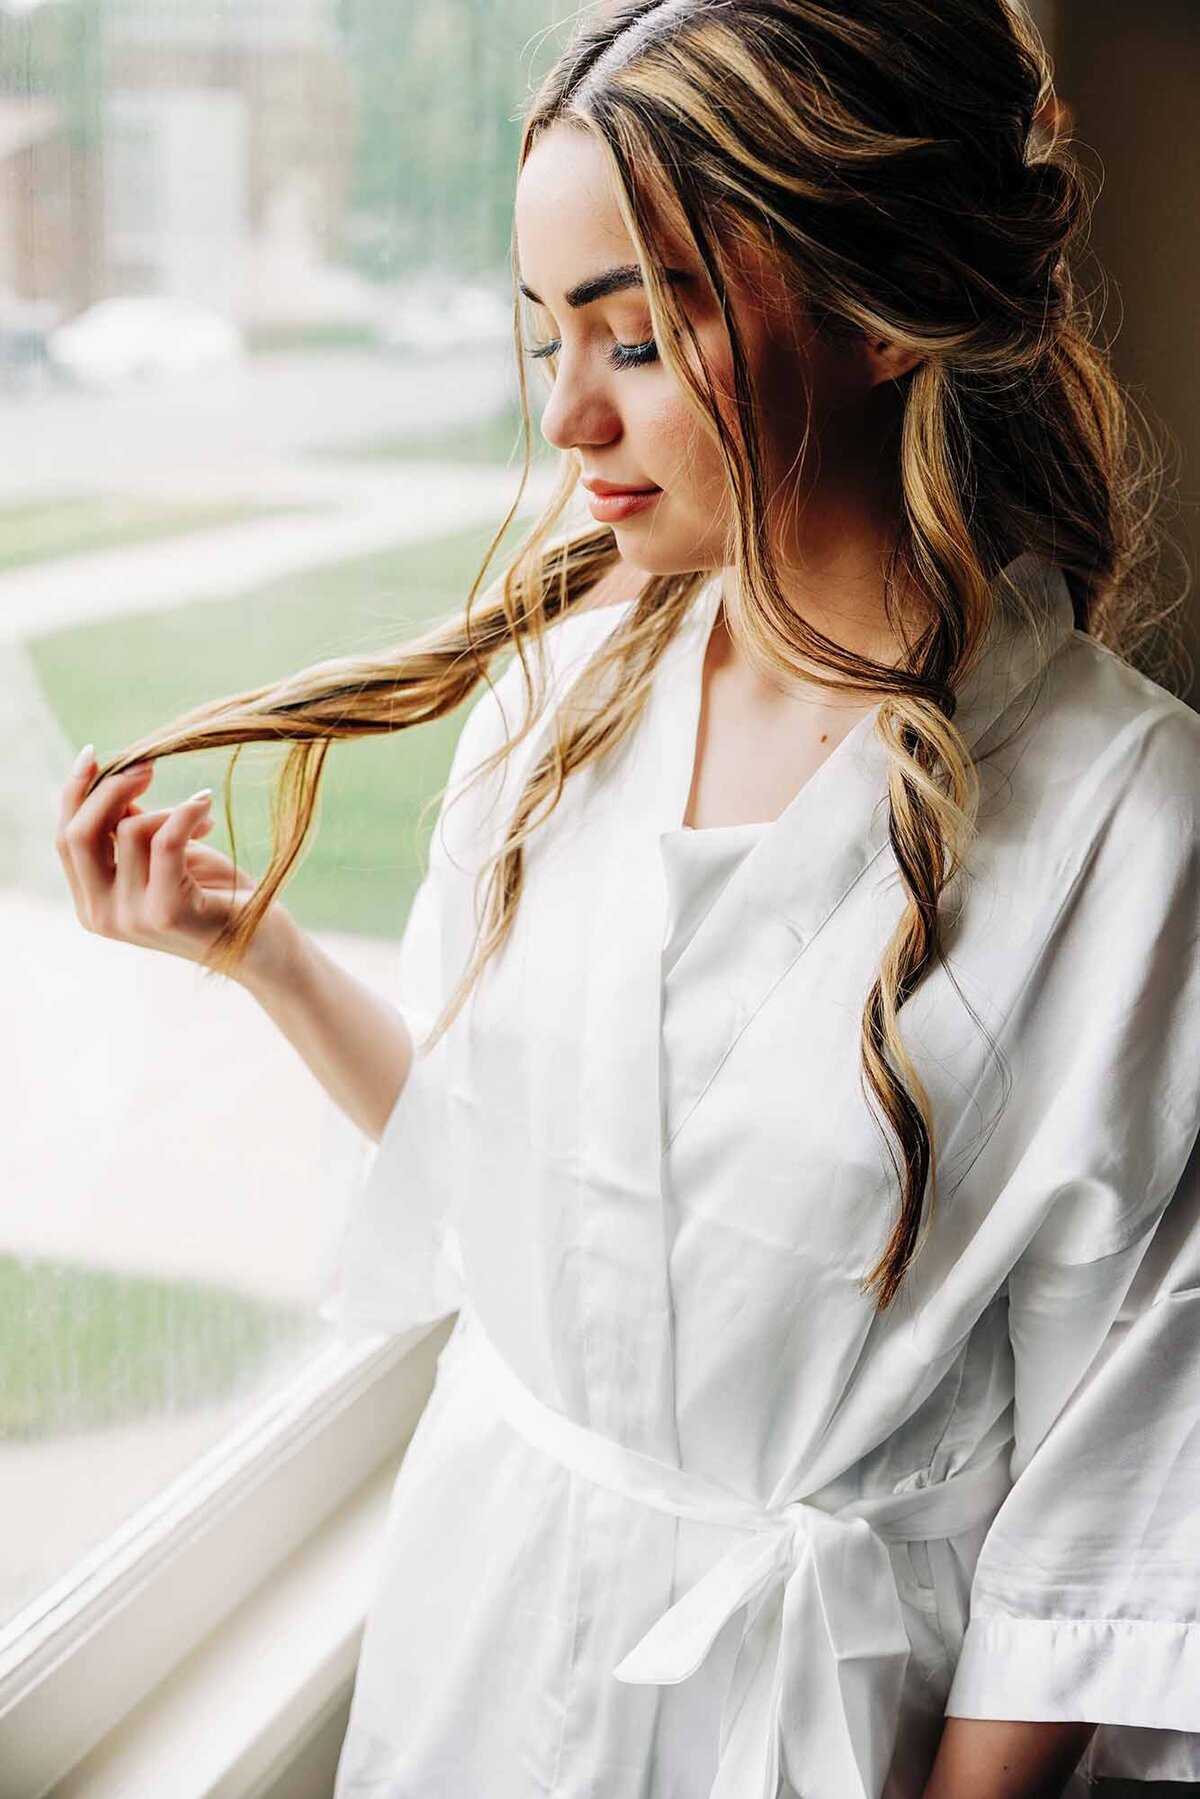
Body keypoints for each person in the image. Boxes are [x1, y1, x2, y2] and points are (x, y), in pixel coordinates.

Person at [54, 2, 1200, 1795]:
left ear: (880, 307)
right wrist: (258, 955)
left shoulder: (1135, 832)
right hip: (482, 1633)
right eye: (545, 335)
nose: (569, 414)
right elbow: (502, 1181)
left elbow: (1115, 1487)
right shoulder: (551, 711)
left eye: (641, 336)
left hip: (831, 1720)